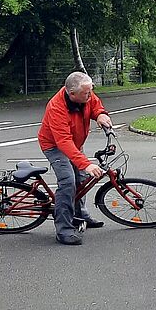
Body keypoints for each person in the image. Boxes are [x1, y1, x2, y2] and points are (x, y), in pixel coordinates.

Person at [38, 71, 113, 246]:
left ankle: (80, 214)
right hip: (55, 146)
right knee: (68, 182)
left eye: (90, 91)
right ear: (72, 94)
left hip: (75, 144)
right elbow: (63, 142)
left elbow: (95, 105)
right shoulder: (57, 108)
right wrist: (85, 164)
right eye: (86, 93)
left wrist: (100, 114)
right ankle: (63, 229)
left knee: (82, 179)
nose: (90, 95)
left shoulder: (85, 95)